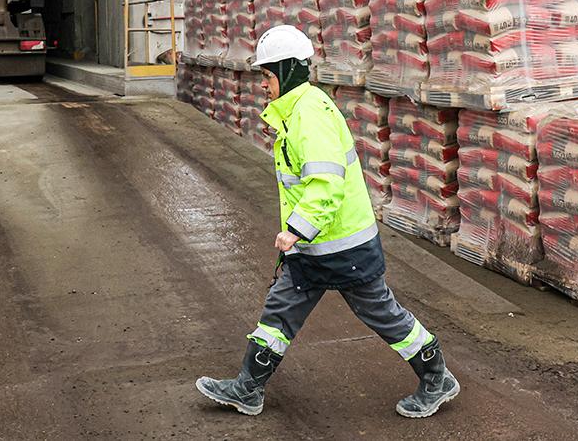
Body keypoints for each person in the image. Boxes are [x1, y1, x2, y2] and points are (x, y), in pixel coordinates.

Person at [195, 25, 460, 418]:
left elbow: (327, 183)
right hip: (313, 248)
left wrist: (296, 230)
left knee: (383, 315)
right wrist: (300, 239)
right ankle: (248, 388)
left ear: (285, 73)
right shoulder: (294, 113)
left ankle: (437, 378)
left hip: (344, 247)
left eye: (267, 76)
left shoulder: (309, 116)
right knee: (278, 312)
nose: (263, 86)